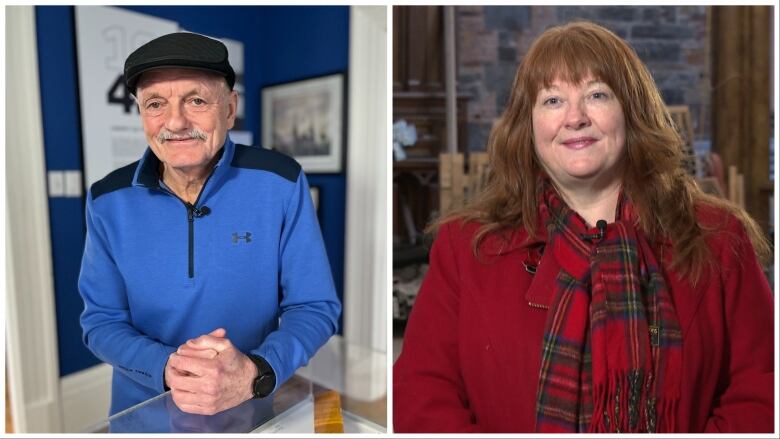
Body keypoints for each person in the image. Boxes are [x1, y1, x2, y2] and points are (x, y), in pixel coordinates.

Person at [393, 21, 774, 433]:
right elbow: (421, 392)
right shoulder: (466, 247)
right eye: (553, 100)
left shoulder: (718, 238)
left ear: (631, 110)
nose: (575, 118)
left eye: (596, 94)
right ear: (529, 126)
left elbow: (763, 392)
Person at [78, 32, 341, 416]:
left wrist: (256, 371)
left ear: (230, 109)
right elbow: (100, 321)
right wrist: (169, 367)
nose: (176, 121)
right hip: (144, 409)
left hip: (250, 405)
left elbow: (315, 306)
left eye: (196, 100)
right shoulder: (106, 199)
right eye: (155, 104)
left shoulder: (281, 181)